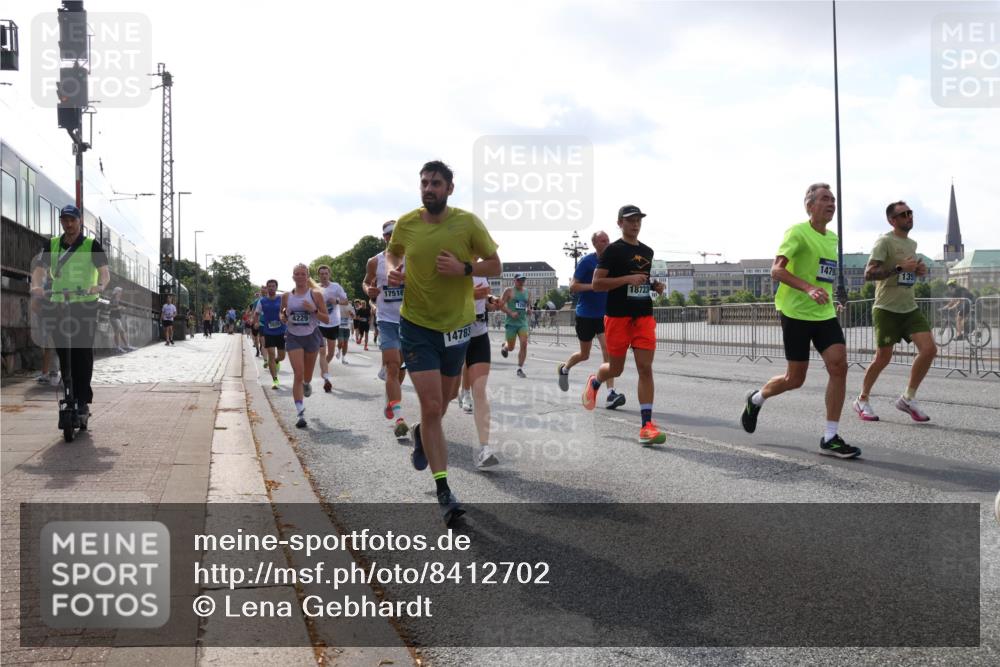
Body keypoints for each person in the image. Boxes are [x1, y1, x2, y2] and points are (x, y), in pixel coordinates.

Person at [385, 160, 501, 524]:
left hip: (458, 327)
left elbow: (495, 265)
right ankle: (444, 489)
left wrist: (465, 269)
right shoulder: (407, 223)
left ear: (450, 188)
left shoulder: (467, 223)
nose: (428, 188)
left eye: (435, 183)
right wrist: (392, 266)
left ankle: (422, 433)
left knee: (446, 400)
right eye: (424, 183)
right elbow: (394, 250)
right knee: (432, 404)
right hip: (416, 325)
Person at [740, 183, 860, 458]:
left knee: (839, 366)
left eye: (833, 200)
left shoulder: (832, 239)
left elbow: (823, 276)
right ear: (809, 205)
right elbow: (776, 270)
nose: (831, 204)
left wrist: (830, 296)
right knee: (795, 379)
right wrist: (808, 289)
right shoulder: (797, 232)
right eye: (825, 199)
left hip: (824, 313)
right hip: (795, 313)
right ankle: (756, 398)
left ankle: (830, 437)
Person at [581, 205, 666, 445]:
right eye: (630, 220)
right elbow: (597, 284)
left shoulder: (648, 251)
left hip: (643, 316)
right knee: (615, 369)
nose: (635, 224)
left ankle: (646, 426)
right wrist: (627, 279)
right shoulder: (612, 251)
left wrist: (654, 286)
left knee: (645, 368)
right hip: (617, 318)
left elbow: (642, 281)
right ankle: (596, 381)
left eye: (638, 220)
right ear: (620, 223)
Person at [29, 204, 111, 425]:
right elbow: (39, 269)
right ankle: (69, 391)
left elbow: (104, 273)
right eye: (64, 220)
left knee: (82, 353)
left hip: (85, 304)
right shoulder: (52, 245)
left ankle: (82, 399)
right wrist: (36, 285)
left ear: (79, 221)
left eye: (72, 220)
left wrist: (100, 286)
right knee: (64, 351)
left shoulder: (91, 245)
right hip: (58, 303)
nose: (68, 224)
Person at [853, 201, 935, 422]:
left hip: (909, 307)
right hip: (886, 308)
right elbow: (869, 274)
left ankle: (907, 398)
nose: (909, 217)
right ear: (892, 220)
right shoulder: (884, 241)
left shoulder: (912, 243)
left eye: (910, 213)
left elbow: (906, 274)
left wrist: (918, 271)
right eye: (904, 214)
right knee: (883, 358)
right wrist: (899, 268)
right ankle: (862, 399)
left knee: (929, 350)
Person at [557, 230, 625, 409]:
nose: (607, 243)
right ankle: (564, 369)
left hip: (604, 315)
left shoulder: (613, 261)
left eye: (608, 240)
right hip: (586, 314)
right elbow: (573, 286)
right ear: (595, 244)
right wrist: (594, 286)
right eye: (603, 240)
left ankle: (610, 394)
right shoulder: (587, 261)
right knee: (584, 355)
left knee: (607, 351)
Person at [364, 220, 410, 438]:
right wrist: (369, 290)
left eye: (397, 233)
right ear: (384, 238)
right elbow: (366, 283)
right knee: (393, 366)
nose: (393, 237)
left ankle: (391, 398)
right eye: (389, 235)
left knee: (400, 370)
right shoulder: (375, 262)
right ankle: (400, 419)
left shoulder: (414, 259)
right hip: (386, 320)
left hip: (410, 321)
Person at [452, 275, 500, 468]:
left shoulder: (482, 270)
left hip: (479, 333)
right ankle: (423, 431)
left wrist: (490, 300)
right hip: (454, 333)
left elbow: (484, 297)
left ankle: (484, 449)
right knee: (444, 395)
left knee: (479, 390)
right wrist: (468, 294)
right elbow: (438, 295)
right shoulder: (450, 262)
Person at [281, 264, 329, 428]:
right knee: (298, 374)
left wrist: (314, 310)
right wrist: (283, 316)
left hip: (311, 337)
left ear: (307, 276)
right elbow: (283, 314)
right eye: (297, 274)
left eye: (303, 274)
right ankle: (300, 413)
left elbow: (326, 319)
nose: (300, 276)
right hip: (294, 337)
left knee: (307, 376)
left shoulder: (315, 295)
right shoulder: (287, 296)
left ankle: (307, 384)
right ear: (293, 277)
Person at [316, 265, 348, 392]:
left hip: (333, 323)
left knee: (330, 353)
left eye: (326, 273)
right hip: (319, 324)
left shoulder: (336, 287)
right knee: (322, 353)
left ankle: (324, 369)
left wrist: (337, 301)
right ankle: (326, 378)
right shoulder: (315, 288)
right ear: (318, 275)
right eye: (321, 273)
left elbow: (346, 301)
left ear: (329, 274)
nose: (324, 275)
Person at [254, 280, 286, 389]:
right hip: (268, 331)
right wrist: (256, 322)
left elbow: (288, 310)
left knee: (282, 356)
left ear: (276, 287)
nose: (271, 288)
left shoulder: (281, 299)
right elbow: (257, 313)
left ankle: (277, 361)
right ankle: (275, 380)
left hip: (281, 330)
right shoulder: (262, 301)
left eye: (273, 286)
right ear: (267, 288)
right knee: (271, 354)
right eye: (269, 286)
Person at [499, 274, 531, 377]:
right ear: (514, 280)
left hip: (522, 323)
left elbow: (528, 305)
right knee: (511, 347)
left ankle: (519, 369)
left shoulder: (527, 292)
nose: (521, 282)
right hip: (511, 323)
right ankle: (505, 346)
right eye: (519, 280)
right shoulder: (509, 291)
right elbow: (501, 305)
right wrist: (511, 313)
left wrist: (529, 309)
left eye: (523, 280)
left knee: (524, 343)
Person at [108, 287, 135, 353]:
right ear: (117, 292)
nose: (121, 293)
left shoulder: (117, 299)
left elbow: (118, 306)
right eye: (120, 292)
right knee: (119, 332)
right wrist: (119, 308)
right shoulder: (113, 299)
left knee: (120, 332)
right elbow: (110, 308)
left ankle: (125, 346)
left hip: (117, 317)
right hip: (113, 317)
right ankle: (120, 347)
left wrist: (123, 306)